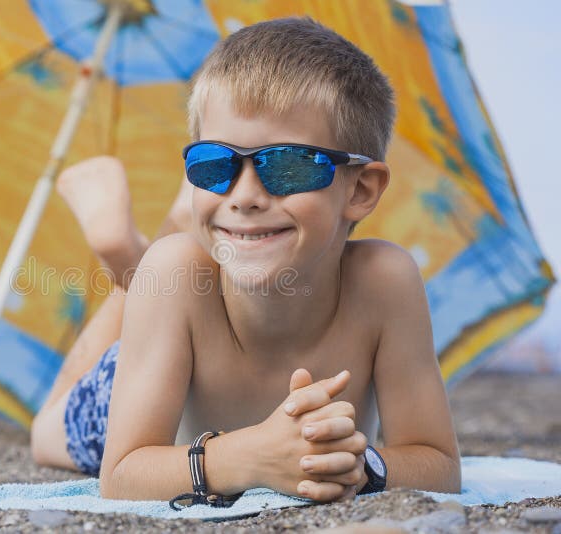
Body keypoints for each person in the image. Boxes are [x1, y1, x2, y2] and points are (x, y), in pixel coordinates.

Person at [31, 16, 461, 504]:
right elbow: (122, 474)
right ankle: (126, 249)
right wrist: (250, 456)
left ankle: (177, 223)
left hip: (188, 310)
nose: (247, 194)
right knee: (46, 433)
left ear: (360, 190)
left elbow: (439, 463)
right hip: (135, 370)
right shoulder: (177, 271)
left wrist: (359, 464)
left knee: (175, 264)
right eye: (215, 165)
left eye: (288, 164)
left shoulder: (385, 281)